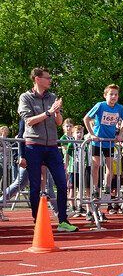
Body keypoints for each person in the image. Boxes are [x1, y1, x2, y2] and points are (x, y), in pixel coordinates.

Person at [17, 67, 77, 231]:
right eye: (47, 77)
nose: (50, 80)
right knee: (35, 186)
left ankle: (63, 221)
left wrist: (57, 112)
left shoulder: (53, 97)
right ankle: (38, 221)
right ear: (37, 79)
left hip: (51, 146)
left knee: (62, 184)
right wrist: (49, 112)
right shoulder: (25, 97)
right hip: (33, 146)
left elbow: (59, 122)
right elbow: (29, 121)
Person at [83, 84, 123, 199]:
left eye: (116, 95)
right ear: (105, 95)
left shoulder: (120, 108)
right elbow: (86, 118)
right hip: (97, 141)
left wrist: (120, 134)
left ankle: (107, 187)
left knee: (110, 167)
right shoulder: (100, 106)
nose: (113, 97)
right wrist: (92, 134)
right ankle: (95, 188)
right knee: (96, 165)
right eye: (111, 94)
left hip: (110, 142)